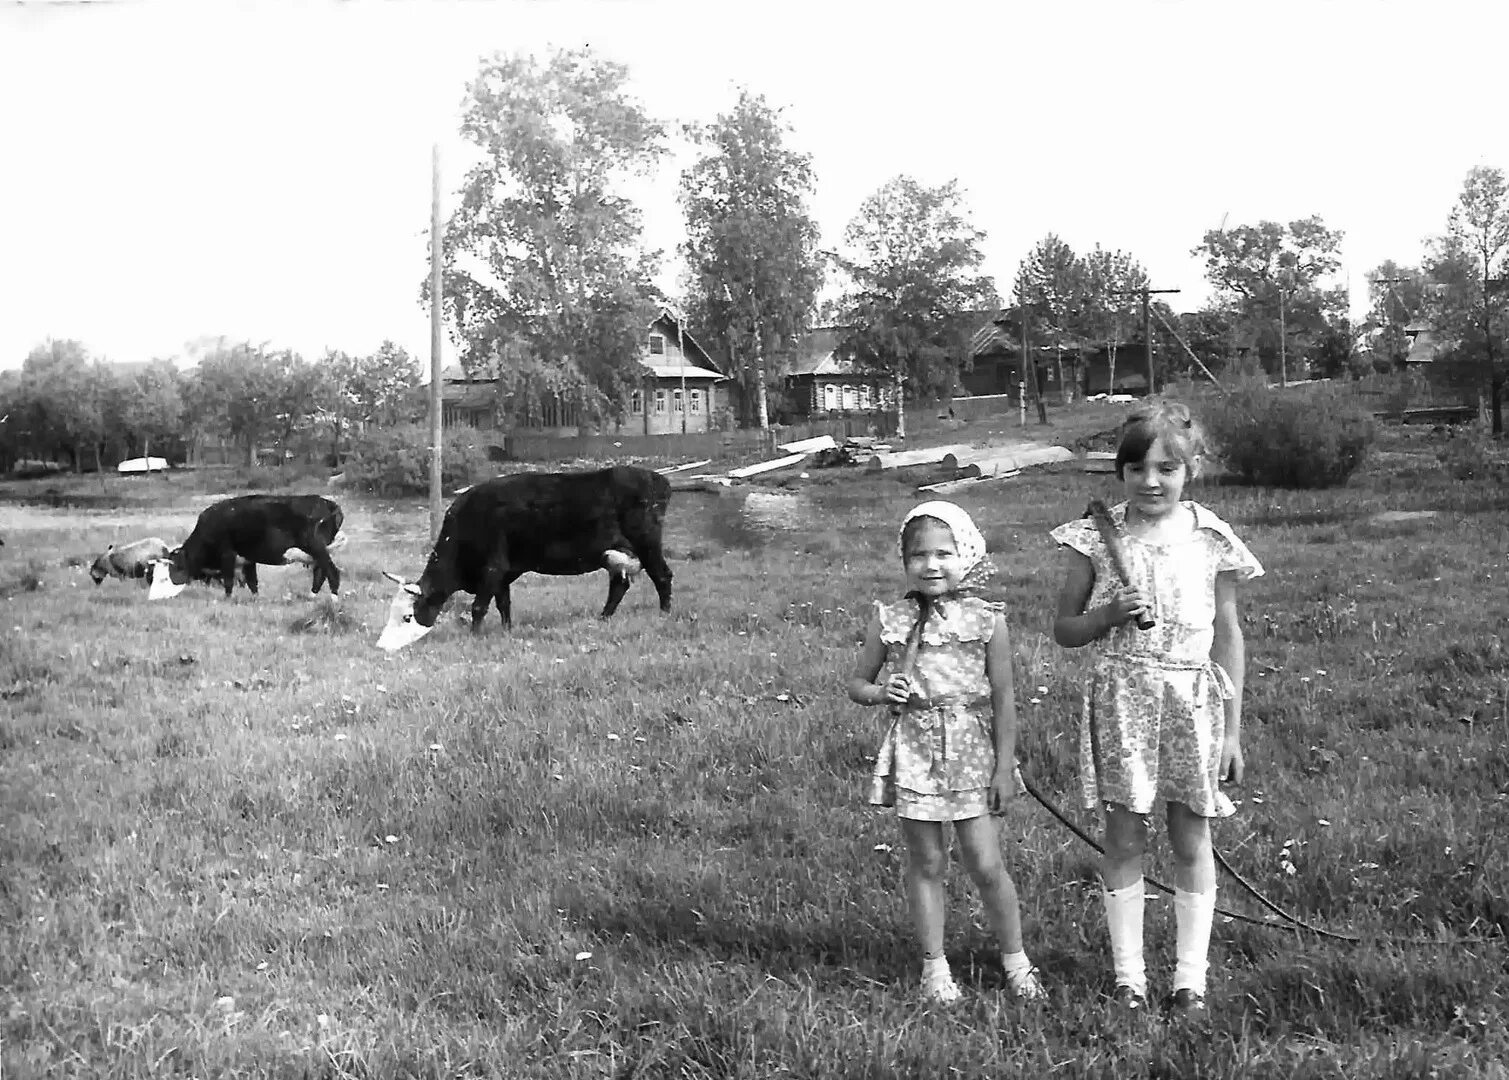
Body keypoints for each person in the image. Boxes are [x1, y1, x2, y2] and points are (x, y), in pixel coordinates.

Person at [1050, 400, 1263, 1017]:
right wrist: (1107, 616)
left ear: (1192, 469)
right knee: (1124, 837)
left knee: (1191, 837)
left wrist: (1232, 732)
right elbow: (1065, 628)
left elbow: (1228, 634)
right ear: (1119, 472)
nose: (1151, 481)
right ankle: (1130, 979)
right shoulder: (1095, 538)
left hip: (1192, 702)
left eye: (1167, 468)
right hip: (1124, 700)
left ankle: (1189, 980)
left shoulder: (1212, 538)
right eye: (1137, 468)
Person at [847, 500, 1045, 1005]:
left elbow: (1004, 697)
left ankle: (1016, 961)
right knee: (927, 861)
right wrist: (882, 692)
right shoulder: (891, 618)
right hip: (916, 750)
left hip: (971, 751)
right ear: (904, 561)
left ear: (967, 555)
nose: (931, 565)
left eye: (943, 553)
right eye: (918, 555)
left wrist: (1005, 767)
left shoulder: (987, 620)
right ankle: (934, 968)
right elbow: (857, 683)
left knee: (985, 862)